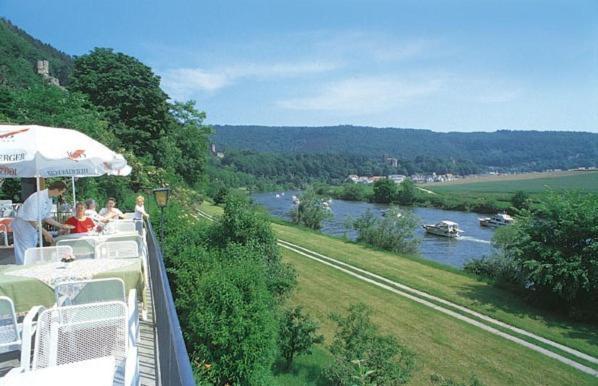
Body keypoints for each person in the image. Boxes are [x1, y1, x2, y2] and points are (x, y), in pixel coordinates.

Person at [12, 181, 75, 264]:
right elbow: (32, 220)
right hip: (23, 226)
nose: (61, 195)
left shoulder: (49, 198)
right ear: (56, 190)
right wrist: (46, 233)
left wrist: (62, 225)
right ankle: (23, 270)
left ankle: (30, 268)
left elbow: (46, 217)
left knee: (31, 250)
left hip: (32, 227)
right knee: (25, 251)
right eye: (61, 192)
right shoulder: (37, 198)